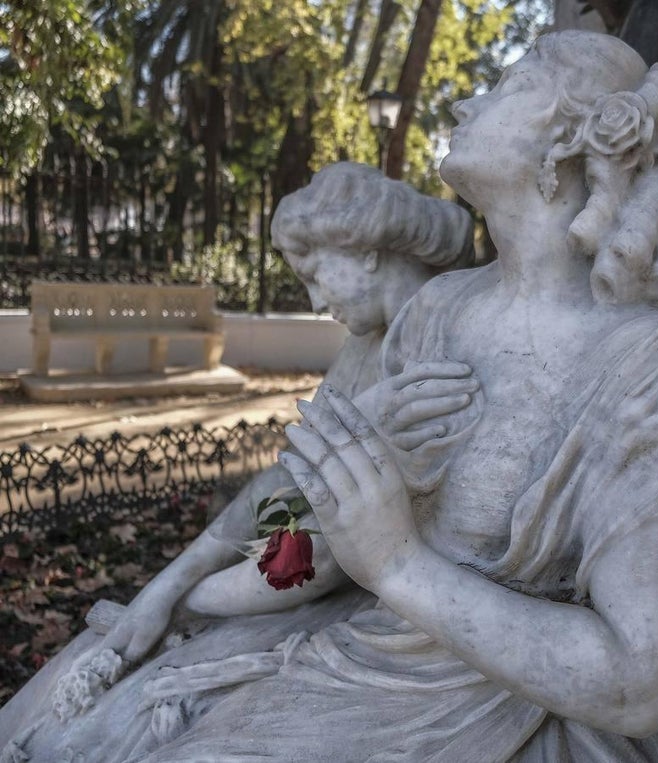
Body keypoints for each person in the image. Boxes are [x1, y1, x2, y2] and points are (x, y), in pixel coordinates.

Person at [4, 31, 658, 761]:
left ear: (564, 147)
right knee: (62, 710)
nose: (466, 98)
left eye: (507, 85)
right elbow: (319, 544)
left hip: (498, 702)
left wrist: (397, 564)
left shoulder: (649, 355)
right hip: (361, 646)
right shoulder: (438, 312)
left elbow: (637, 680)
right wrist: (185, 595)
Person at [0, 163, 476, 758]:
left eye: (316, 275)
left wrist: (181, 603)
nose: (314, 299)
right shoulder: (367, 345)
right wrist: (172, 577)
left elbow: (319, 557)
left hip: (387, 620)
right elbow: (291, 486)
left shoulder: (438, 349)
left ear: (369, 252)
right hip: (295, 589)